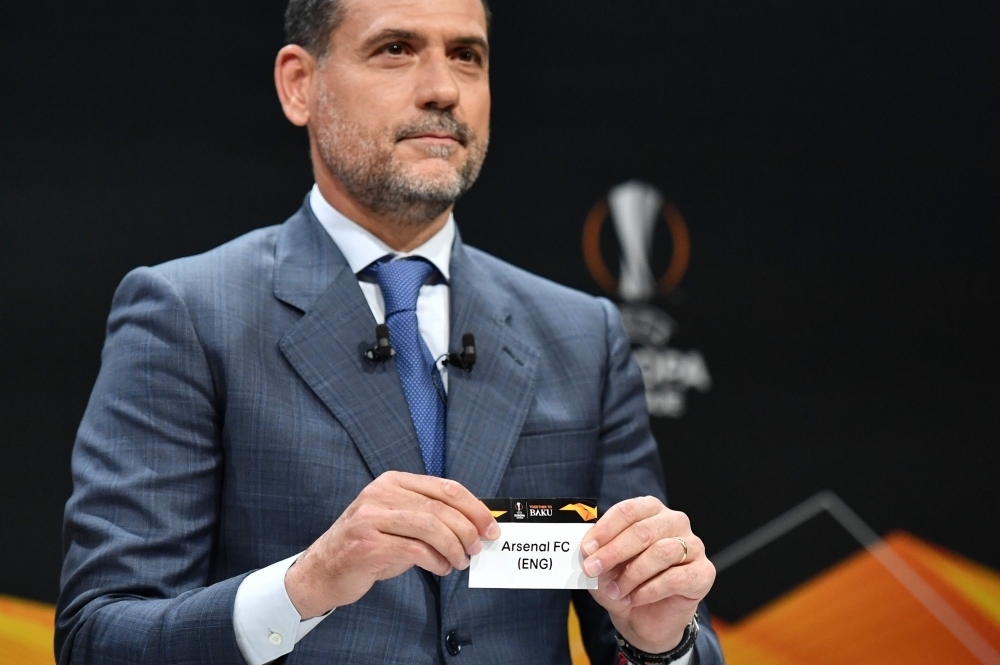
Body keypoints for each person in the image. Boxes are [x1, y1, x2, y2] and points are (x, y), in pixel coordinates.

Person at [56, 0, 724, 663]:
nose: (442, 89)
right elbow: (99, 637)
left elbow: (646, 626)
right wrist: (306, 584)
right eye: (395, 50)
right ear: (299, 85)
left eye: (467, 56)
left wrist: (663, 639)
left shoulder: (582, 336)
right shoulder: (189, 313)